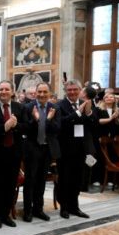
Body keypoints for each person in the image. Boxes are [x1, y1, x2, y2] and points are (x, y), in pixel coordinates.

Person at [0, 80, 25, 228]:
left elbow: (26, 127)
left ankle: (6, 214)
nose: (3, 92)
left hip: (14, 152)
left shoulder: (19, 108)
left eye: (6, 89)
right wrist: (4, 127)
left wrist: (15, 126)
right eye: (0, 89)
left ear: (12, 92)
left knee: (10, 184)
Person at [56, 80, 93, 218]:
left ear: (79, 90)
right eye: (69, 90)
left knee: (78, 179)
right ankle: (64, 207)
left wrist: (88, 113)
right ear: (65, 91)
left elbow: (91, 124)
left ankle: (74, 207)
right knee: (65, 179)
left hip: (81, 148)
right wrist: (78, 112)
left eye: (75, 89)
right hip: (65, 149)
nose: (72, 92)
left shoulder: (86, 103)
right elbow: (62, 123)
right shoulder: (60, 105)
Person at [22, 83, 59, 222]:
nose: (42, 95)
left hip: (47, 149)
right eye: (39, 92)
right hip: (32, 148)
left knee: (41, 181)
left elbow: (56, 129)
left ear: (49, 93)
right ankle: (27, 211)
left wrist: (47, 119)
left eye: (45, 92)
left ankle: (38, 209)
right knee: (30, 181)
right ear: (35, 93)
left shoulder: (55, 108)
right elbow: (26, 129)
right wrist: (36, 119)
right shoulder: (28, 107)